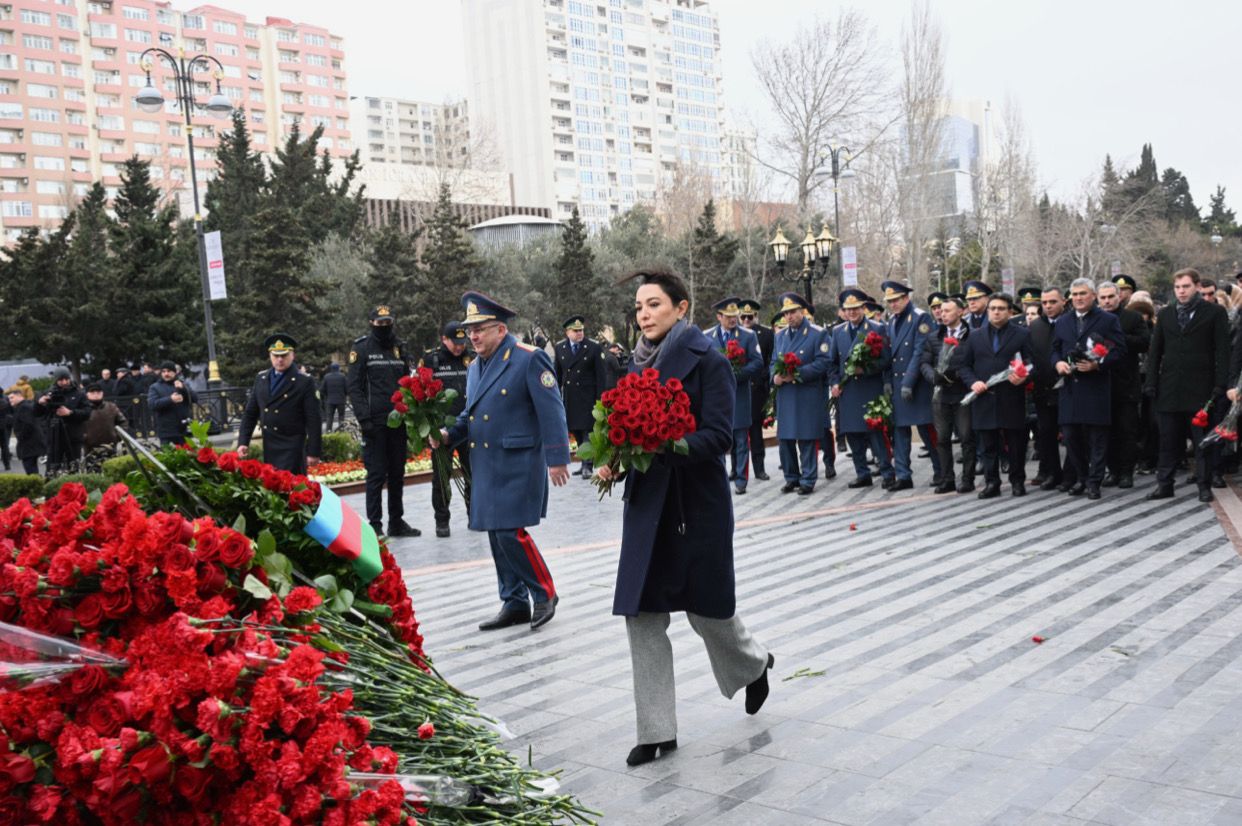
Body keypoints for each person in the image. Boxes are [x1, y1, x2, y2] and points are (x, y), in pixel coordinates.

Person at [596, 268, 773, 768]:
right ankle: (656, 731)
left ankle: (755, 664)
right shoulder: (634, 368)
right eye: (638, 308)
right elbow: (622, 433)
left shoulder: (709, 361)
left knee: (706, 609)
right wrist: (614, 458)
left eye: (653, 304)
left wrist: (666, 443)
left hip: (696, 505)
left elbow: (720, 436)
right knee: (643, 613)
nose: (644, 315)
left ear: (681, 308)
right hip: (648, 506)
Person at [436, 291, 568, 631]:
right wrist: (449, 436)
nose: (474, 337)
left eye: (481, 329)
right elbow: (470, 413)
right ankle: (513, 601)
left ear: (500, 329)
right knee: (495, 533)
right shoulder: (475, 367)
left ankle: (544, 593)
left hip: (518, 461)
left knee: (510, 531)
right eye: (470, 331)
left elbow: (552, 411)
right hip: (486, 464)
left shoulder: (528, 358)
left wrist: (557, 459)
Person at [1145, 268, 1230, 503]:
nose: (1181, 291)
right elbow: (1155, 352)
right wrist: (1151, 381)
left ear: (1197, 287)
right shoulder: (1166, 314)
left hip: (1202, 388)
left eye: (1186, 287)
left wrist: (1220, 385)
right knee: (1168, 440)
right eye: (1177, 287)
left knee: (1202, 441)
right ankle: (1165, 484)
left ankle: (1204, 485)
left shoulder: (1214, 313)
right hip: (1170, 387)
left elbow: (1222, 352)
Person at [1051, 279, 1127, 500]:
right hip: (1070, 388)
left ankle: (1094, 482)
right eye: (1074, 294)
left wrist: (1098, 364)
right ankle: (1082, 478)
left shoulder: (1108, 319)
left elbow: (1120, 351)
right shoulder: (1063, 321)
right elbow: (1054, 349)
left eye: (1083, 293)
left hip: (1096, 387)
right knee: (1071, 437)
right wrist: (1057, 363)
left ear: (1093, 295)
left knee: (1097, 439)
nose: (1078, 298)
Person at [348, 305, 420, 538]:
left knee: (397, 473)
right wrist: (364, 419)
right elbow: (354, 387)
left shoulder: (400, 347)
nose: (384, 327)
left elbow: (409, 381)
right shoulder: (362, 349)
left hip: (398, 421)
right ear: (371, 324)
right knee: (376, 474)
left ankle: (396, 521)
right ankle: (375, 524)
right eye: (379, 324)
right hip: (375, 423)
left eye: (387, 322)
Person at [959, 294, 1034, 498]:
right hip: (984, 397)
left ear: (1010, 312)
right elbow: (964, 366)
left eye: (1001, 308)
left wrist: (1023, 376)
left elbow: (1030, 361)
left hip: (1011, 395)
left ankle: (1017, 481)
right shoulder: (975, 335)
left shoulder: (1021, 334)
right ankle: (992, 483)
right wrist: (973, 382)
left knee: (1016, 443)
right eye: (992, 308)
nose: (996, 312)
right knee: (988, 445)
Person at [827, 289, 893, 489]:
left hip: (870, 389)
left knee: (875, 434)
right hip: (848, 392)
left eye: (856, 308)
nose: (852, 313)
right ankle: (862, 473)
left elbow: (885, 361)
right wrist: (835, 383)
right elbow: (832, 363)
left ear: (863, 308)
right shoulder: (838, 332)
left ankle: (888, 472)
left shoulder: (877, 329)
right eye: (848, 309)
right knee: (853, 435)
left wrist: (864, 369)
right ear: (843, 312)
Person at [771, 292, 832, 494]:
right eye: (786, 313)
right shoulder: (779, 336)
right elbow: (772, 362)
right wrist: (775, 377)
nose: (789, 316)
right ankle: (791, 477)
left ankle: (808, 479)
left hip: (806, 392)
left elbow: (824, 362)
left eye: (793, 312)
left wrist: (797, 374)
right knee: (786, 439)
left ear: (802, 311)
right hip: (786, 394)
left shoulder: (817, 333)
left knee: (806, 438)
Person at [237, 334, 322, 475]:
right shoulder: (261, 378)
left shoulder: (304, 381)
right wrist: (243, 441)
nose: (280, 359)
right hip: (270, 444)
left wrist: (313, 451)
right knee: (273, 487)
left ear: (292, 355)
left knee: (293, 489)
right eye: (275, 356)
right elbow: (250, 413)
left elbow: (313, 419)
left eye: (284, 355)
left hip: (292, 446)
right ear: (270, 356)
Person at [704, 297, 763, 494]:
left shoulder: (748, 336)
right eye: (728, 316)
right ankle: (720, 474)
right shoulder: (707, 336)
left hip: (740, 394)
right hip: (716, 398)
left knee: (740, 439)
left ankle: (741, 479)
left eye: (735, 316)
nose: (733, 320)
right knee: (717, 438)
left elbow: (757, 362)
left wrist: (737, 373)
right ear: (719, 316)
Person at [882, 281, 938, 490]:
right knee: (899, 431)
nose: (893, 304)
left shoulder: (920, 317)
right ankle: (904, 475)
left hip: (917, 385)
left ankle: (941, 471)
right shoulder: (891, 321)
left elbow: (920, 352)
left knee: (927, 430)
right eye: (890, 301)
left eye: (896, 300)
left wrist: (908, 381)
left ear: (906, 298)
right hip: (898, 384)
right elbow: (889, 354)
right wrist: (888, 381)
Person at [420, 322, 472, 538]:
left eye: (462, 342)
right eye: (455, 343)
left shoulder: (472, 358)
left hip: (469, 427)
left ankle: (475, 513)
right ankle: (442, 520)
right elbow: (421, 397)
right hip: (442, 432)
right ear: (444, 339)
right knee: (441, 478)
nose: (459, 347)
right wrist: (430, 430)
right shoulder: (433, 360)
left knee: (473, 474)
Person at [1098, 281, 1149, 488]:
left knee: (1127, 430)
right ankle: (1113, 470)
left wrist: (1117, 339)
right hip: (1100, 383)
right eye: (1103, 297)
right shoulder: (1095, 319)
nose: (1107, 301)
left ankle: (1127, 471)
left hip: (1126, 383)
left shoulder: (1132, 317)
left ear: (1119, 297)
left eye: (1111, 297)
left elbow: (1144, 342)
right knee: (1105, 430)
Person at [922, 296, 975, 493]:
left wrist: (962, 375)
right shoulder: (934, 337)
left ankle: (967, 478)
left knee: (966, 437)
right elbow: (924, 362)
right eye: (941, 311)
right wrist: (933, 376)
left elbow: (975, 362)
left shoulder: (971, 336)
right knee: (942, 439)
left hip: (963, 394)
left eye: (948, 311)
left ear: (961, 312)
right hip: (941, 395)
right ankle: (947, 478)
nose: (943, 314)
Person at [553, 315, 608, 478]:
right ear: (567, 332)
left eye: (581, 330)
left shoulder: (593, 347)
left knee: (588, 432)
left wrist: (600, 399)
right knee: (576, 431)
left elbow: (601, 376)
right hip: (570, 397)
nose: (579, 333)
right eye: (575, 331)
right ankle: (584, 462)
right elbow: (557, 373)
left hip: (588, 397)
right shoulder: (560, 348)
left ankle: (587, 465)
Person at [1029, 287, 1067, 490]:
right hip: (1043, 388)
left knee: (1071, 434)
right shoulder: (1035, 326)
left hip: (1068, 387)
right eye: (1044, 303)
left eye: (1053, 302)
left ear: (1063, 301)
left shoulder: (1070, 322)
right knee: (1046, 433)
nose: (1048, 306)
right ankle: (1052, 472)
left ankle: (1072, 473)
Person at [739, 299, 774, 481]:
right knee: (736, 431)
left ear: (755, 316)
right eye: (743, 316)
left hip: (757, 388)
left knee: (755, 431)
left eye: (749, 316)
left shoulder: (766, 334)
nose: (746, 319)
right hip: (738, 388)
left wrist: (764, 379)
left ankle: (759, 468)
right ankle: (737, 470)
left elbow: (770, 360)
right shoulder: (734, 334)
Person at [36, 367, 90, 475]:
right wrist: (39, 403)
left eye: (66, 379)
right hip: (54, 436)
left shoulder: (79, 393)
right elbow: (37, 414)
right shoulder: (49, 393)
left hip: (73, 437)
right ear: (56, 380)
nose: (64, 382)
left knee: (73, 468)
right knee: (52, 469)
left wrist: (70, 413)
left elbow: (87, 413)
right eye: (61, 380)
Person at [81, 382, 128, 471]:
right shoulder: (82, 409)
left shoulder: (111, 407)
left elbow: (123, 422)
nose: (96, 395)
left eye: (98, 392)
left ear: (102, 393)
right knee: (93, 472)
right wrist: (83, 437)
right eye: (93, 393)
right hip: (90, 448)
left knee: (112, 471)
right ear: (87, 394)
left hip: (110, 446)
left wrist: (117, 436)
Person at [147, 361, 195, 446]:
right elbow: (152, 404)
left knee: (186, 456)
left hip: (183, 429)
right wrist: (170, 399)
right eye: (164, 371)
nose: (166, 374)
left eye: (169, 371)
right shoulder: (155, 387)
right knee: (167, 456)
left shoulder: (182, 384)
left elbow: (195, 399)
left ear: (175, 372)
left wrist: (183, 388)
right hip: (166, 430)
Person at [6, 389, 44, 475]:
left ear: (20, 396)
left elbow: (28, 424)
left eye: (12, 397)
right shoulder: (22, 406)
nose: (10, 400)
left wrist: (20, 435)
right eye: (9, 398)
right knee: (31, 469)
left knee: (31, 470)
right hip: (30, 443)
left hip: (29, 444)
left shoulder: (24, 407)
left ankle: (36, 486)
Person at [320, 362, 348, 432]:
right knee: (341, 417)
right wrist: (344, 395)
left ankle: (329, 431)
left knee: (329, 417)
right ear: (338, 368)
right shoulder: (342, 376)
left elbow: (322, 389)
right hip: (341, 400)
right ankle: (341, 431)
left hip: (330, 400)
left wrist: (327, 396)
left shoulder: (326, 377)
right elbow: (347, 388)